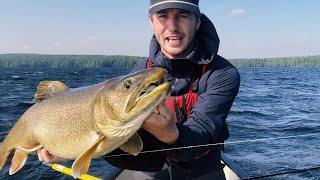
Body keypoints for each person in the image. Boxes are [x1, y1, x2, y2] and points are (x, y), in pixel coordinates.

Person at [37, 0, 240, 179]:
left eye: (182, 15)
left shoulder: (222, 74)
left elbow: (201, 135)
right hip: (151, 169)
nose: (172, 26)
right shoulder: (138, 74)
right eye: (162, 16)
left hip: (203, 171)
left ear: (198, 22)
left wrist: (171, 134)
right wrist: (69, 148)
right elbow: (122, 140)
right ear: (152, 21)